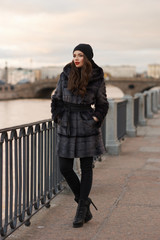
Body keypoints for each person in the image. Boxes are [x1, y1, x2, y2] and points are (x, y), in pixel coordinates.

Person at [51, 43, 109, 228]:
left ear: (88, 57)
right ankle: (84, 202)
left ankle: (80, 212)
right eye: (74, 54)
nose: (76, 58)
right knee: (65, 167)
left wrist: (95, 117)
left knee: (86, 168)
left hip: (86, 125)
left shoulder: (97, 78)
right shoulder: (66, 74)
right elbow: (56, 98)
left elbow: (102, 104)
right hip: (67, 124)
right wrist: (58, 115)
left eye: (80, 55)